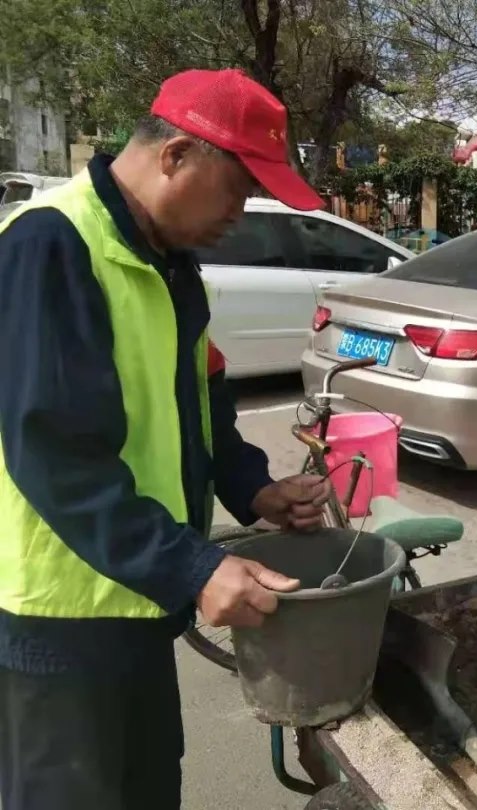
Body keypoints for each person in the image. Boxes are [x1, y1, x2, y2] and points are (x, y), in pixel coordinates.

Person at [0, 68, 335, 810]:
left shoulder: (176, 267)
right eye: (239, 189)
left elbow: (202, 403)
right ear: (177, 155)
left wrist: (254, 488)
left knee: (148, 789)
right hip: (64, 615)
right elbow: (54, 451)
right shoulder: (49, 246)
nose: (240, 215)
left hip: (141, 599)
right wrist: (192, 565)